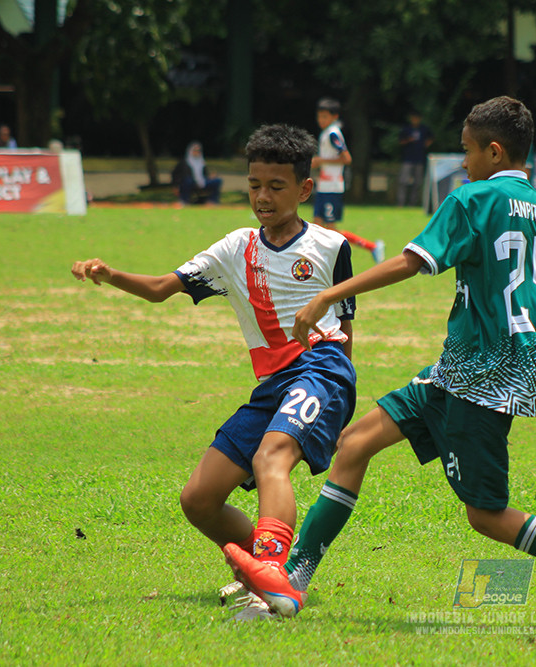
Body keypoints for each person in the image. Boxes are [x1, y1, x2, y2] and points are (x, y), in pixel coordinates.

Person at [223, 96, 536, 630]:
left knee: (486, 515)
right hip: (467, 370)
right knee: (356, 443)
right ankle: (294, 582)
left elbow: (412, 262)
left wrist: (327, 296)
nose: (463, 162)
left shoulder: (473, 199)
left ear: (495, 152)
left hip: (480, 378)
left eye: (467, 151)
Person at [71, 124, 359, 616]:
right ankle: (260, 567)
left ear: (304, 189)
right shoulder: (235, 248)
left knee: (272, 457)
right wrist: (111, 274)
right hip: (275, 384)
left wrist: (339, 408)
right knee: (198, 499)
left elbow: (345, 327)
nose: (262, 197)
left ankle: (271, 580)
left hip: (322, 369)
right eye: (253, 186)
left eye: (276, 187)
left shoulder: (331, 248)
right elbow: (164, 286)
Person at [313, 97, 385, 263]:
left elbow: (346, 158)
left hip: (332, 187)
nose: (320, 120)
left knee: (331, 231)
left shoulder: (333, 134)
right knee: (316, 227)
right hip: (324, 186)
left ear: (334, 116)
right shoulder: (326, 133)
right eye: (319, 116)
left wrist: (320, 161)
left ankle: (371, 246)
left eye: (324, 116)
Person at [396, 111, 433, 207]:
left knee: (417, 182)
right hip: (407, 159)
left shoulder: (424, 129)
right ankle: (401, 202)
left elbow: (431, 138)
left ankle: (413, 203)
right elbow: (400, 141)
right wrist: (408, 140)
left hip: (419, 159)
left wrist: (426, 144)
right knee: (403, 181)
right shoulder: (406, 129)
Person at [170, 141, 223, 206]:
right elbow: (176, 175)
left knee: (217, 181)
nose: (197, 152)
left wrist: (210, 176)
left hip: (202, 182)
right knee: (188, 180)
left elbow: (204, 175)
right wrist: (176, 185)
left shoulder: (201, 162)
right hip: (190, 183)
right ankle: (184, 201)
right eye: (195, 150)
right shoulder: (184, 162)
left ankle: (212, 201)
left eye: (198, 151)